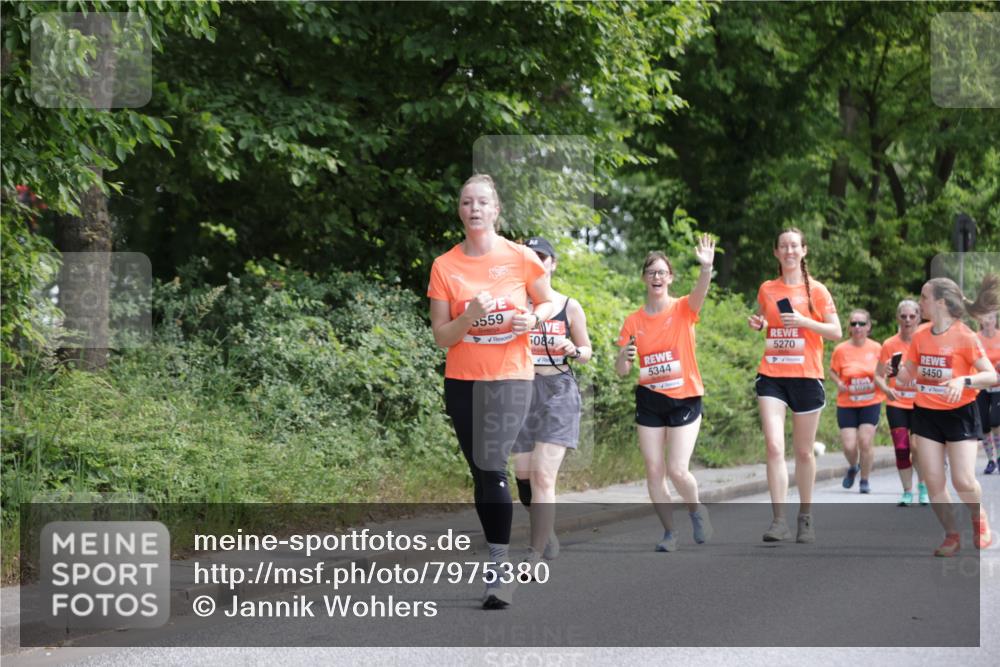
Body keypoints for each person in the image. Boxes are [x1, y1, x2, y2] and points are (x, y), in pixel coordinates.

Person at [427, 174, 555, 608]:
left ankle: (499, 570)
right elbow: (443, 337)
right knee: (481, 473)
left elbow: (550, 300)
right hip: (463, 380)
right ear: (460, 210)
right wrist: (470, 317)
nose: (475, 208)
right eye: (467, 202)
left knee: (491, 462)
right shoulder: (445, 266)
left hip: (511, 376)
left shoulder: (520, 258)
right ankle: (500, 556)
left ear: (496, 210)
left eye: (483, 202)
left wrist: (533, 320)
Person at [615, 235, 716, 552]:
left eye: (662, 272)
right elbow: (621, 370)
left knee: (676, 469)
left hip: (685, 398)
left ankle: (696, 509)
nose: (656, 277)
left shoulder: (684, 308)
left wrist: (706, 268)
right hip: (649, 400)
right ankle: (670, 533)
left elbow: (700, 293)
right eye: (651, 272)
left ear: (670, 277)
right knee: (654, 470)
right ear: (644, 278)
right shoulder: (633, 320)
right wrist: (624, 358)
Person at [747, 228, 841, 543]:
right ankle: (778, 521)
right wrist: (759, 324)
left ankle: (806, 516)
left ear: (804, 251)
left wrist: (804, 322)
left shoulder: (817, 291)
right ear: (776, 252)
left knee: (803, 452)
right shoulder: (767, 288)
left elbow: (836, 331)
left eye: (794, 246)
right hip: (772, 374)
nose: (789, 251)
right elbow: (765, 318)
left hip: (806, 376)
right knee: (774, 446)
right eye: (783, 246)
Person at [896, 275, 999, 556]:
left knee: (962, 480)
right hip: (926, 414)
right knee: (933, 481)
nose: (920, 302)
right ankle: (952, 535)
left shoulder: (965, 336)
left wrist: (963, 381)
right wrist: (900, 374)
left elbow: (989, 375)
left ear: (940, 302)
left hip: (959, 414)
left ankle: (979, 518)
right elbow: (909, 373)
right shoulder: (920, 335)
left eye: (924, 297)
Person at [512, 237, 592, 571]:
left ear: (553, 264)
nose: (538, 262)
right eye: (531, 257)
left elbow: (587, 351)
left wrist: (574, 350)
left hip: (559, 390)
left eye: (543, 257)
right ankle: (547, 533)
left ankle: (534, 553)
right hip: (522, 391)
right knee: (524, 476)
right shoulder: (517, 304)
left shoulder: (568, 305)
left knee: (545, 477)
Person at [874, 300, 929, 506]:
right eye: (903, 316)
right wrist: (886, 388)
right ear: (898, 318)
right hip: (897, 403)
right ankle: (907, 491)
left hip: (920, 403)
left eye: (912, 316)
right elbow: (877, 375)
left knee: (918, 446)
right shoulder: (889, 344)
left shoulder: (925, 341)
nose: (907, 320)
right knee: (902, 447)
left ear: (919, 318)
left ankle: (922, 486)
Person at [830, 309, 884, 495]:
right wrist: (839, 383)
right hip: (847, 403)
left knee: (865, 441)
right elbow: (832, 371)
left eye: (861, 323)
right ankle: (854, 466)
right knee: (849, 446)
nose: (858, 327)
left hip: (871, 400)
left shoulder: (877, 348)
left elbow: (884, 371)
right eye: (854, 324)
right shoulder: (841, 349)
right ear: (849, 327)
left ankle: (864, 480)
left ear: (868, 326)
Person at [975, 310, 1000, 474]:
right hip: (982, 385)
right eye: (986, 317)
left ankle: (999, 456)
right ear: (981, 320)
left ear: (996, 320)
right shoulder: (975, 338)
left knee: (995, 421)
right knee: (984, 425)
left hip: (998, 385)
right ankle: (991, 460)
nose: (989, 321)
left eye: (992, 317)